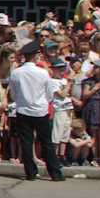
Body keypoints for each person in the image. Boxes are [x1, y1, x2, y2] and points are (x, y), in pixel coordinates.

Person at [7, 42, 64, 182]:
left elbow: (13, 94)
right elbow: (49, 95)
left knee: (26, 142)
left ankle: (30, 173)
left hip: (23, 110)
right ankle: (55, 173)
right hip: (40, 111)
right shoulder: (43, 73)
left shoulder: (16, 72)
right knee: (46, 143)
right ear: (36, 56)